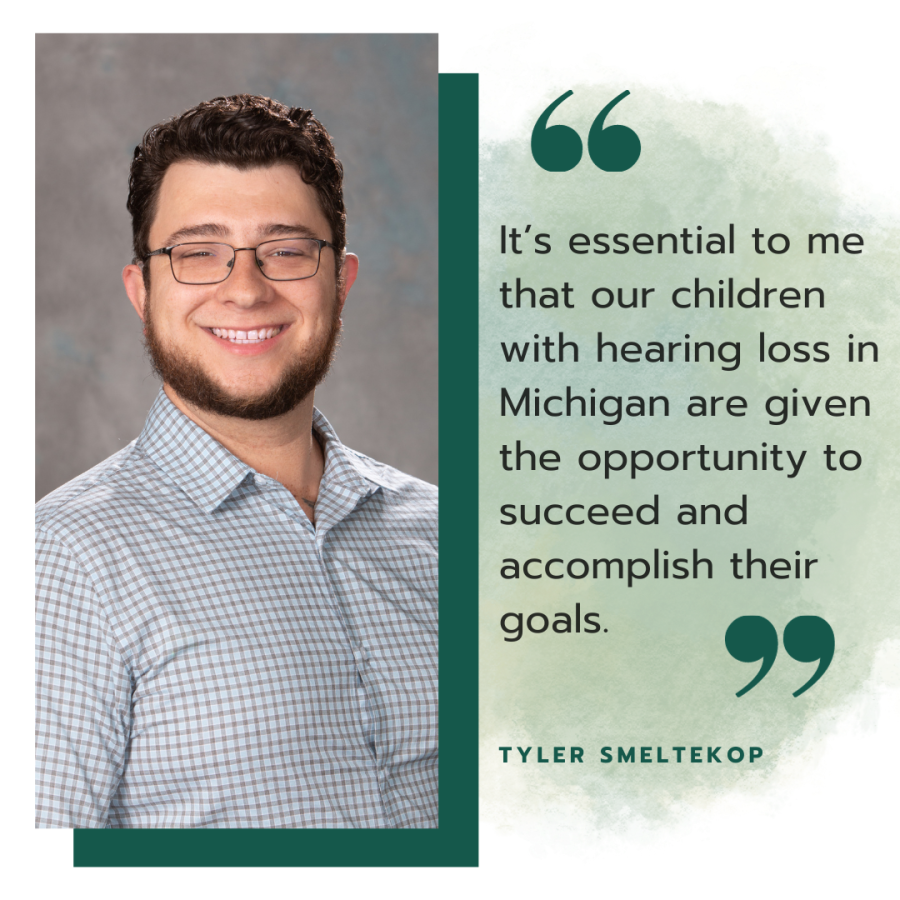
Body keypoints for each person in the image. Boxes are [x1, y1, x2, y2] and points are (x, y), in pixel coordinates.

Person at [35, 95, 438, 829]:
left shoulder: (448, 535)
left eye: (286, 250)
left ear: (340, 282)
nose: (246, 289)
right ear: (142, 289)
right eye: (197, 253)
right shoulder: (61, 559)